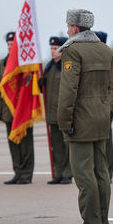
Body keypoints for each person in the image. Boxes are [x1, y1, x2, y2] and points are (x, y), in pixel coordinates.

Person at [57, 9, 113, 224]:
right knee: (101, 172)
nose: (67, 29)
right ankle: (102, 222)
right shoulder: (105, 49)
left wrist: (64, 121)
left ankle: (91, 223)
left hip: (81, 119)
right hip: (100, 117)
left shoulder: (72, 50)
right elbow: (109, 86)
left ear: (75, 28)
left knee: (83, 174)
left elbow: (68, 89)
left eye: (68, 25)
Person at [0, 32, 35, 185]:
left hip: (23, 109)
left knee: (26, 144)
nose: (10, 46)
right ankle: (17, 172)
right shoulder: (3, 63)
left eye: (13, 44)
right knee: (13, 144)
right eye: (8, 44)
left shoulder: (26, 64)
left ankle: (26, 174)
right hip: (8, 110)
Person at [42, 36, 72, 184]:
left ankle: (67, 173)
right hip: (52, 114)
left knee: (67, 146)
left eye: (56, 49)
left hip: (64, 113)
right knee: (57, 146)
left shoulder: (67, 66)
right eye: (51, 49)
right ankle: (58, 173)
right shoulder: (48, 68)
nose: (53, 51)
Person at [95, 31, 113, 181]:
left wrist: (110, 109)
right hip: (91, 107)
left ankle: (108, 172)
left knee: (106, 143)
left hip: (105, 107)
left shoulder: (111, 59)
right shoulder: (90, 59)